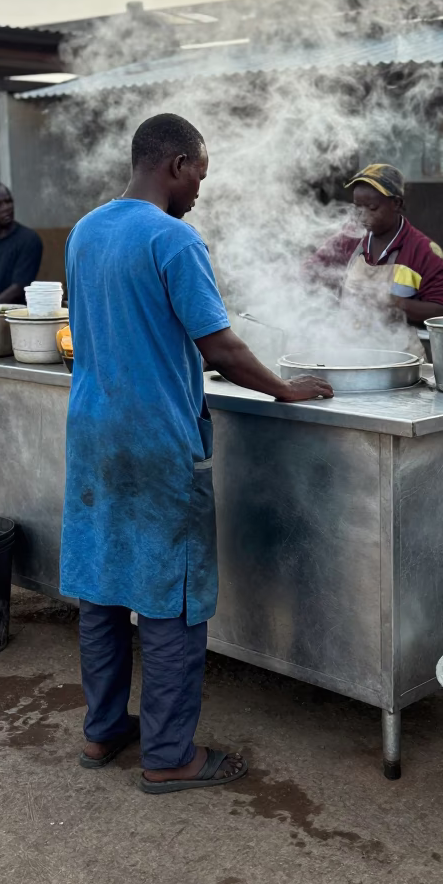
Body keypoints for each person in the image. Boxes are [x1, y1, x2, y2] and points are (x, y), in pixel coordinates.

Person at [60, 112, 333, 795]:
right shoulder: (173, 237)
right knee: (171, 597)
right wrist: (283, 390)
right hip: (155, 440)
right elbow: (220, 345)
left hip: (92, 433)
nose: (200, 193)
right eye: (200, 177)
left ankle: (102, 732)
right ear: (176, 164)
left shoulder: (86, 230)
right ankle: (169, 757)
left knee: (102, 584)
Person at [306, 163, 443, 357]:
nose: (362, 215)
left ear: (397, 204)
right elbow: (313, 269)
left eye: (372, 207)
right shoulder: (349, 238)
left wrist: (396, 304)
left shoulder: (424, 251)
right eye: (357, 207)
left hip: (399, 357)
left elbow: (441, 310)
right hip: (348, 353)